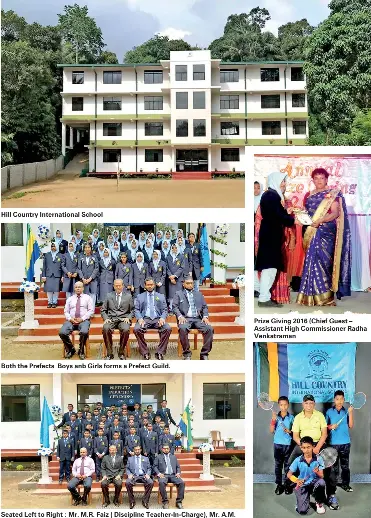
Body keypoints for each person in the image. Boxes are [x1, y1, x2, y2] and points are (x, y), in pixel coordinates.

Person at [297, 168, 351, 307]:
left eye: (322, 178)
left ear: (327, 179)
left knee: (324, 263)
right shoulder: (308, 195)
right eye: (316, 178)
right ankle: (309, 297)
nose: (319, 181)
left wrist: (321, 220)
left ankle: (326, 298)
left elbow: (335, 213)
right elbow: (306, 212)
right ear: (312, 180)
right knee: (310, 262)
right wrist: (300, 215)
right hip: (310, 230)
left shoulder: (332, 194)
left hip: (326, 231)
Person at [254, 172, 295, 308]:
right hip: (270, 235)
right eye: (282, 181)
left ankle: (264, 296)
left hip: (271, 235)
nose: (284, 184)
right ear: (276, 181)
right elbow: (278, 216)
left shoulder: (271, 195)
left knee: (270, 268)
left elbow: (278, 214)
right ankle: (264, 298)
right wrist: (291, 219)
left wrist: (286, 214)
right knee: (270, 269)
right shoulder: (271, 196)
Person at [173, 276, 214, 360]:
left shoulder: (198, 294)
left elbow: (204, 307)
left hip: (198, 319)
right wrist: (180, 316)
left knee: (209, 328)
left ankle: (204, 354)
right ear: (183, 284)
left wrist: (205, 316)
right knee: (182, 328)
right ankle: (187, 354)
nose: (190, 285)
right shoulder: (178, 294)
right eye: (187, 283)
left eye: (191, 283)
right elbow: (174, 307)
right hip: (185, 319)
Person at [133, 277, 172, 360]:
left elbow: (165, 309)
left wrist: (162, 318)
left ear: (154, 285)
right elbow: (136, 309)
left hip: (158, 319)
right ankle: (145, 352)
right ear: (145, 286)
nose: (150, 286)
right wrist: (140, 318)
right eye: (148, 285)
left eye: (151, 284)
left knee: (167, 328)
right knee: (136, 329)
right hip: (145, 319)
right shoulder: (140, 296)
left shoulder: (161, 296)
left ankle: (160, 352)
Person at [287, 436, 326, 515]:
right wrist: (297, 480)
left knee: (321, 482)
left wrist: (317, 471)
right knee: (302, 511)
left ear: (313, 447)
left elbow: (321, 476)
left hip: (314, 482)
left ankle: (319, 503)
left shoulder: (319, 459)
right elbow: (289, 474)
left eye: (308, 447)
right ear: (301, 448)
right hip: (303, 484)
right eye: (304, 448)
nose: (306, 450)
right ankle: (302, 502)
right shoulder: (298, 460)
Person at [325, 390, 354, 496]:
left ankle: (345, 484)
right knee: (334, 466)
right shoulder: (329, 412)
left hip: (345, 443)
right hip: (333, 443)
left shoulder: (346, 411)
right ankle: (334, 484)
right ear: (334, 400)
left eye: (342, 399)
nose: (339, 401)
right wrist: (330, 426)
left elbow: (350, 425)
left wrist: (350, 413)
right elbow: (324, 427)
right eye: (337, 399)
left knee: (345, 465)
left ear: (344, 400)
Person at [59, 281, 94, 360]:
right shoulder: (70, 299)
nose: (78, 288)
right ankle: (71, 349)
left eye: (79, 287)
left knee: (84, 332)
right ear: (74, 289)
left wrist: (82, 318)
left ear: (83, 288)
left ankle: (81, 351)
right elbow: (66, 311)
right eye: (76, 287)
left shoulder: (87, 298)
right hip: (71, 320)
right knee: (62, 332)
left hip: (83, 320)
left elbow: (91, 310)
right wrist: (70, 319)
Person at [101, 278, 133, 360]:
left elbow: (133, 310)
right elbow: (103, 310)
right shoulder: (109, 295)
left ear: (123, 286)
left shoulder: (128, 296)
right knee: (106, 328)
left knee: (126, 329)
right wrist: (106, 318)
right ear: (113, 286)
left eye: (119, 285)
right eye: (116, 286)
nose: (118, 287)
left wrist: (128, 318)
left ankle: (121, 352)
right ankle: (109, 353)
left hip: (123, 319)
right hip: (111, 319)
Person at [270, 396, 295, 495]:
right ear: (279, 405)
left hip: (288, 444)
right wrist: (273, 420)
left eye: (285, 405)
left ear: (288, 405)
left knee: (287, 466)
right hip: (277, 444)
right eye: (281, 405)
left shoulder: (292, 418)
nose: (283, 407)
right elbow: (271, 431)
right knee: (278, 465)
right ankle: (279, 485)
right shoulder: (276, 417)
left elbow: (295, 432)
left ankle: (287, 485)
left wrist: (289, 431)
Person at [154, 444, 185, 509]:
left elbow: (178, 467)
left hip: (173, 475)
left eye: (167, 448)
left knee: (182, 483)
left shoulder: (173, 457)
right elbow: (154, 467)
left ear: (169, 449)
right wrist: (159, 474)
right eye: (164, 448)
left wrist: (178, 473)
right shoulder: (158, 457)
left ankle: (179, 502)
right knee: (162, 483)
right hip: (163, 475)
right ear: (162, 449)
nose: (166, 450)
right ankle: (165, 502)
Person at [125, 445, 154, 509]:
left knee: (151, 482)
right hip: (134, 476)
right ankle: (132, 501)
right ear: (134, 450)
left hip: (143, 475)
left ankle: (145, 501)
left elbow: (149, 468)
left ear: (141, 450)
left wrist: (148, 474)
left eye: (138, 449)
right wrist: (129, 474)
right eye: (136, 450)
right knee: (127, 483)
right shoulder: (130, 459)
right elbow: (127, 468)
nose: (137, 451)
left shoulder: (146, 458)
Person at [42, 242, 63, 308]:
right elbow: (44, 266)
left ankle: (54, 302)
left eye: (54, 246)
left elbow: (62, 266)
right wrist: (43, 276)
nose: (53, 247)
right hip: (49, 274)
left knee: (56, 289)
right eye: (52, 246)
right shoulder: (47, 255)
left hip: (57, 274)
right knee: (49, 289)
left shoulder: (60, 255)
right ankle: (49, 302)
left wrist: (62, 276)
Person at [77, 243, 99, 307]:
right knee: (84, 295)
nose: (87, 249)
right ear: (84, 249)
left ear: (91, 248)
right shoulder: (81, 257)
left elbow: (96, 268)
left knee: (93, 295)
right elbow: (79, 268)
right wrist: (82, 278)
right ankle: (85, 310)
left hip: (92, 280)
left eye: (88, 247)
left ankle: (91, 311)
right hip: (83, 280)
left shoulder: (94, 257)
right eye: (86, 247)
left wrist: (91, 278)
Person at [166, 244, 184, 310]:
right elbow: (167, 268)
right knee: (171, 294)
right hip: (171, 279)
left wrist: (175, 276)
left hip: (178, 279)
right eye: (173, 248)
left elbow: (182, 267)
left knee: (178, 294)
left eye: (175, 248)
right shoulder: (168, 257)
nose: (174, 249)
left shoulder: (181, 257)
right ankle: (171, 308)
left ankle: (179, 309)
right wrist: (171, 276)